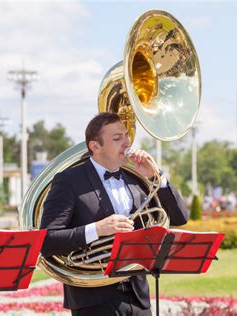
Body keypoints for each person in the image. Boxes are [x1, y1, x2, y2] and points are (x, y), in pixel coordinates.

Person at [40, 112, 188, 315]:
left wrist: (157, 177)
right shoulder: (68, 181)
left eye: (126, 136)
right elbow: (47, 241)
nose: (127, 142)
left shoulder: (137, 177)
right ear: (95, 146)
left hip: (138, 297)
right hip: (93, 300)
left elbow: (180, 218)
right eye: (117, 138)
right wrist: (97, 229)